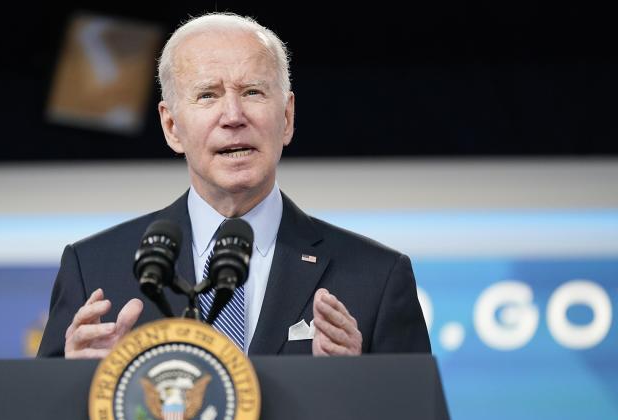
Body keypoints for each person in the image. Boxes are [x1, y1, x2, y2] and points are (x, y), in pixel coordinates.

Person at [37, 12, 430, 358]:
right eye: (208, 95)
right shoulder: (93, 270)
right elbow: (44, 410)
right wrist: (77, 385)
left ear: (287, 117)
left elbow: (414, 411)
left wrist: (360, 383)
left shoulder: (376, 278)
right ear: (171, 126)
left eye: (252, 92)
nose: (233, 115)